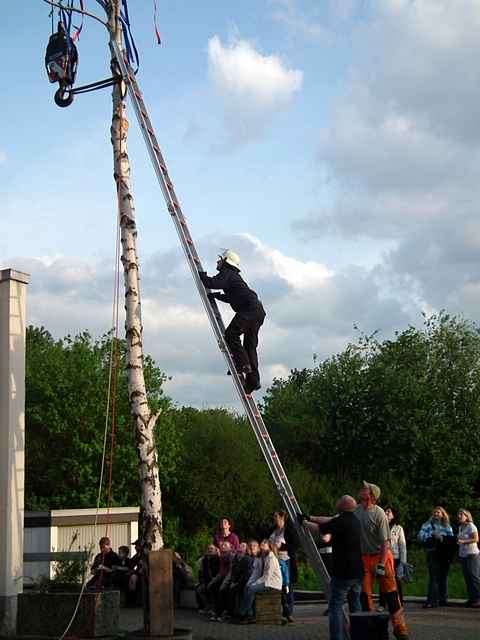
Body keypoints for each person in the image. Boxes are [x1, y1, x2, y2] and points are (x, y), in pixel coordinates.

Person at [199, 250, 266, 394]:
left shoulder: (227, 273)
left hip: (250, 310)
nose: (217, 262)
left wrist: (202, 276)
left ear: (226, 261)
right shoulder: (233, 276)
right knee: (250, 346)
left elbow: (214, 283)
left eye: (220, 260)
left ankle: (242, 364)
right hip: (258, 311)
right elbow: (234, 297)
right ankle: (253, 381)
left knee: (231, 334)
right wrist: (217, 296)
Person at [302, 495, 363, 640]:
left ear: (343, 505)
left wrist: (303, 523)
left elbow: (319, 529)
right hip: (357, 572)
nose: (336, 502)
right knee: (355, 606)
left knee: (335, 606)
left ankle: (337, 637)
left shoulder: (342, 522)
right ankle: (359, 635)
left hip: (344, 572)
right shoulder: (354, 520)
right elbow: (327, 520)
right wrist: (310, 517)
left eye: (338, 501)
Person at [355, 481, 409, 640]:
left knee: (391, 595)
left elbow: (386, 542)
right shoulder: (357, 510)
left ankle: (400, 629)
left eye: (365, 488)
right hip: (364, 558)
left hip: (382, 556)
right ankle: (371, 630)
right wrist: (311, 519)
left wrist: (381, 564)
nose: (362, 489)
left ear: (371, 495)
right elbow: (337, 518)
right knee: (365, 596)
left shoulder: (379, 514)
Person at [418, 506, 455, 608]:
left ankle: (443, 599)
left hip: (444, 554)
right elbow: (420, 536)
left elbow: (451, 540)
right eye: (435, 512)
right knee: (434, 576)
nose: (436, 514)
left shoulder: (447, 526)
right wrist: (431, 534)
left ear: (443, 514)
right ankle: (432, 601)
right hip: (432, 552)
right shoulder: (427, 525)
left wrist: (442, 537)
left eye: (438, 512)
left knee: (443, 576)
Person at [239, 539, 282, 624]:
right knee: (247, 587)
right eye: (262, 542)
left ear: (269, 546)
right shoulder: (260, 557)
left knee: (251, 589)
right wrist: (250, 583)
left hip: (272, 583)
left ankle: (242, 613)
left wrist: (254, 584)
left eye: (265, 543)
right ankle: (250, 616)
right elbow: (255, 573)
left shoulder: (271, 557)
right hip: (264, 582)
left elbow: (267, 576)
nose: (262, 544)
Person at [268, 510, 299, 622]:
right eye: (274, 516)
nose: (274, 518)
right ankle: (280, 610)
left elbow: (295, 546)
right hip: (273, 561)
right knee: (277, 585)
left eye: (276, 516)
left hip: (286, 560)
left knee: (287, 585)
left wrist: (282, 546)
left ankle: (289, 612)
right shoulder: (272, 530)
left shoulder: (289, 530)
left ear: (282, 517)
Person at [383, 507, 407, 606]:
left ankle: (399, 602)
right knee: (384, 581)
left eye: (389, 511)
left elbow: (402, 546)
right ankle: (382, 603)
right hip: (383, 558)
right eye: (385, 511)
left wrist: (403, 562)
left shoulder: (398, 528)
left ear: (394, 515)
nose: (386, 513)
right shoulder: (381, 526)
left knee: (396, 581)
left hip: (395, 558)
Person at [456, 509, 480, 608]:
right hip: (463, 555)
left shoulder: (471, 526)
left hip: (472, 554)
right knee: (467, 578)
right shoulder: (461, 527)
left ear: (467, 516)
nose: (459, 516)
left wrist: (464, 542)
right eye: (459, 514)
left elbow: (476, 539)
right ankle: (472, 599)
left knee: (474, 577)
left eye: (461, 514)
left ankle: (478, 599)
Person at [195, 544, 220, 614]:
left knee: (212, 588)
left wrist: (212, 581)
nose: (210, 550)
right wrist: (201, 581)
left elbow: (219, 572)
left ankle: (214, 608)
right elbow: (201, 572)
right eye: (208, 548)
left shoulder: (218, 559)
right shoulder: (204, 560)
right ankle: (207, 606)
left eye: (212, 548)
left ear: (215, 550)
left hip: (215, 580)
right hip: (206, 581)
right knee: (199, 589)